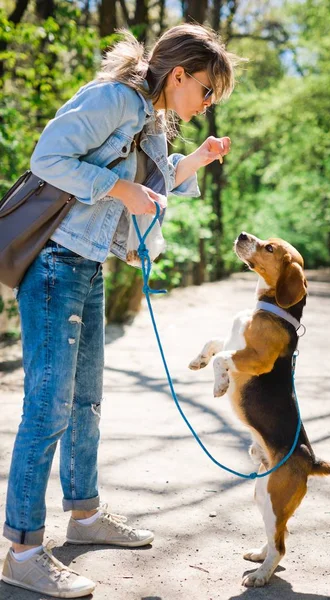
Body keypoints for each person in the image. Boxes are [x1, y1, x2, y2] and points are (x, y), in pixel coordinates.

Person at [1, 23, 237, 598]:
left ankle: (84, 515)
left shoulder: (153, 122)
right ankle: (24, 551)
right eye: (206, 92)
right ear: (178, 74)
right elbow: (48, 157)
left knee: (86, 402)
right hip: (56, 263)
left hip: (90, 265)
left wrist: (196, 160)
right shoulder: (111, 99)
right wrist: (116, 189)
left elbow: (153, 184)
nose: (206, 106)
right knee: (49, 405)